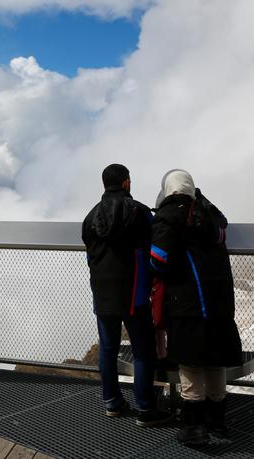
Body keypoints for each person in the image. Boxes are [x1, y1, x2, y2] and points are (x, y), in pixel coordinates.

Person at [150, 169, 242, 445]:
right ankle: (217, 424)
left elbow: (159, 259)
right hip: (220, 303)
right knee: (215, 362)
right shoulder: (210, 215)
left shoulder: (170, 216)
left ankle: (193, 428)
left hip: (189, 303)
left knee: (190, 366)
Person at [82, 164, 172, 427]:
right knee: (143, 351)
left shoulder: (91, 217)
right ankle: (145, 408)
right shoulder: (140, 213)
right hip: (135, 294)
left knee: (108, 349)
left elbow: (90, 256)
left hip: (102, 293)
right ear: (125, 183)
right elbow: (156, 247)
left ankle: (112, 402)